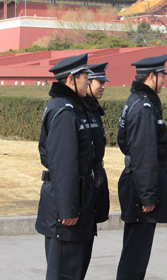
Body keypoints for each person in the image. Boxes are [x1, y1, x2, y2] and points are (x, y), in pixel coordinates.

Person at [36, 53, 96, 280]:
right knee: (64, 274)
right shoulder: (64, 111)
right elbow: (63, 163)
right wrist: (68, 210)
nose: (88, 81)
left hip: (72, 205)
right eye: (85, 77)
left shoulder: (67, 106)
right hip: (66, 213)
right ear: (71, 79)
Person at [116, 54, 167, 280]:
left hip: (136, 183)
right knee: (136, 254)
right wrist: (148, 197)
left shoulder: (135, 101)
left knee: (134, 249)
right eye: (162, 76)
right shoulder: (145, 107)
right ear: (152, 76)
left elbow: (124, 142)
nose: (164, 81)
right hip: (141, 190)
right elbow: (145, 155)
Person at [82, 63, 111, 223]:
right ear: (88, 82)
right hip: (88, 178)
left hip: (97, 176)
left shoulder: (93, 109)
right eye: (100, 82)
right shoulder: (81, 109)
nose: (103, 86)